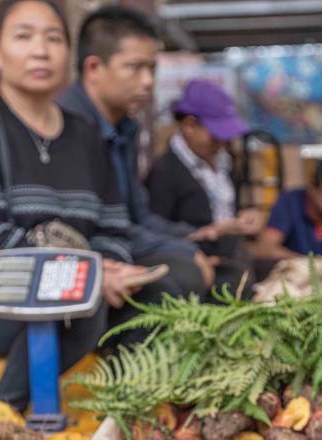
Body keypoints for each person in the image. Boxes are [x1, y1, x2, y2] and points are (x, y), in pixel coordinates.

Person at [0, 0, 164, 410]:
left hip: (76, 287)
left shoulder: (86, 135)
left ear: (68, 55)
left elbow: (113, 228)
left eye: (53, 38)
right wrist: (88, 275)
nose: (41, 50)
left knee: (160, 298)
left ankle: (125, 421)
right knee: (78, 306)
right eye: (24, 37)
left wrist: (107, 267)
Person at [58, 6, 226, 297]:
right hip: (89, 253)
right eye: (135, 67)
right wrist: (182, 249)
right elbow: (98, 229)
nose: (148, 81)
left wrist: (189, 236)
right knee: (184, 277)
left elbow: (137, 215)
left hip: (124, 241)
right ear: (94, 68)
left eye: (152, 68)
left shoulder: (126, 129)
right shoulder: (66, 127)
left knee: (225, 257)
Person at [145, 79, 259, 293]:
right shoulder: (165, 172)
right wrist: (207, 235)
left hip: (232, 259)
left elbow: (225, 206)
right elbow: (154, 231)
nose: (221, 143)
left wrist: (242, 219)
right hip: (196, 272)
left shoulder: (226, 160)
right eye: (215, 136)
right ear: (190, 124)